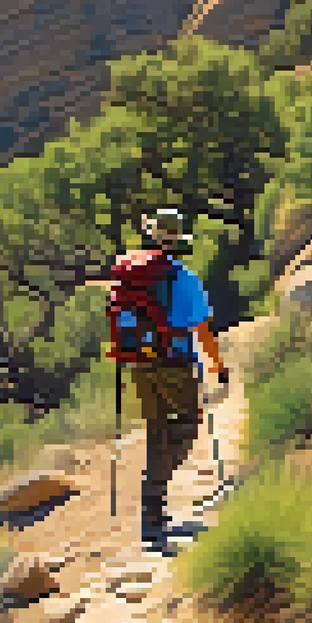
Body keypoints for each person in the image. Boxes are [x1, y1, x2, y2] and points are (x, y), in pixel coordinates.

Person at [117, 209, 227, 555]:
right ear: (178, 242)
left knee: (157, 432)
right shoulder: (184, 278)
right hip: (175, 363)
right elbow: (203, 331)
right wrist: (218, 367)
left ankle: (152, 515)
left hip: (140, 364)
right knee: (188, 427)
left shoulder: (129, 278)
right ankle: (153, 500)